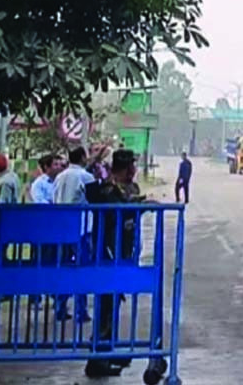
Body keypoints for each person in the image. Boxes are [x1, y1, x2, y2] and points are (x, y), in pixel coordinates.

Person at [84, 148, 148, 377]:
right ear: (124, 167)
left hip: (123, 253)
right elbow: (94, 194)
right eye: (131, 165)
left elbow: (131, 208)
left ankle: (106, 350)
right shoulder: (106, 190)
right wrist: (94, 163)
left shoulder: (130, 188)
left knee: (113, 303)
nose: (134, 170)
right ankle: (97, 359)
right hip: (108, 252)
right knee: (106, 303)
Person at [53, 147, 95, 323]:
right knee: (82, 269)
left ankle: (60, 307)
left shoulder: (59, 176)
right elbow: (95, 198)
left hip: (61, 227)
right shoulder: (85, 177)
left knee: (63, 268)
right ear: (83, 158)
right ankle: (81, 310)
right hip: (82, 228)